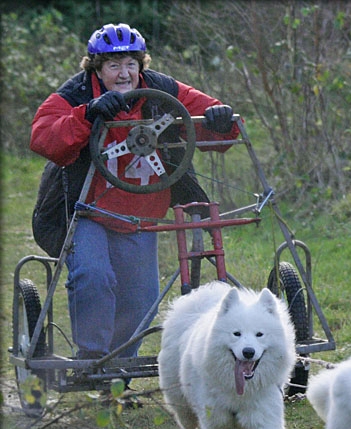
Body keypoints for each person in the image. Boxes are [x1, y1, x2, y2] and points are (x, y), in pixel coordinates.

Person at [30, 23, 240, 361]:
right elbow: (43, 137)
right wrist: (87, 115)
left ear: (141, 64)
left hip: (141, 212)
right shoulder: (76, 94)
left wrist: (220, 118)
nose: (124, 73)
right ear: (96, 68)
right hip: (87, 210)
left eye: (131, 63)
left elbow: (214, 124)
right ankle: (93, 356)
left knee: (141, 298)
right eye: (113, 65)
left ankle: (119, 368)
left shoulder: (162, 90)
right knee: (93, 276)